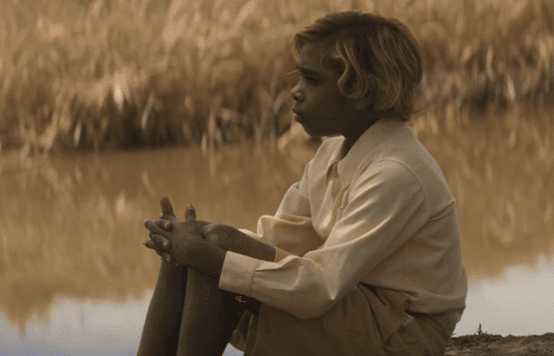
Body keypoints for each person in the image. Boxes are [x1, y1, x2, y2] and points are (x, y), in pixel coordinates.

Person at [136, 10, 468, 356]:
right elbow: (277, 240)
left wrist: (210, 254)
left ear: (364, 92)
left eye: (311, 81)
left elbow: (322, 284)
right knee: (202, 249)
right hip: (355, 309)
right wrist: (189, 241)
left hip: (400, 334)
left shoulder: (396, 174)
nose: (295, 92)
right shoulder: (331, 154)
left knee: (214, 255)